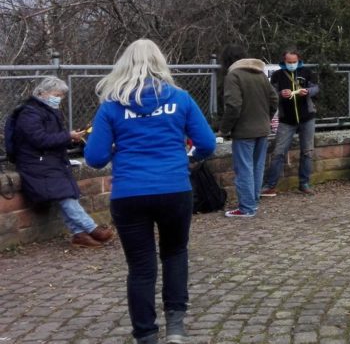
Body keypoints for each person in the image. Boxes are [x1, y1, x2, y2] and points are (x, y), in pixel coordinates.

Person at [85, 39, 217, 344]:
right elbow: (208, 144)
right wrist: (187, 158)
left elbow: (94, 158)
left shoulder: (111, 106)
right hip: (173, 187)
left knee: (141, 266)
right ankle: (176, 327)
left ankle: (145, 334)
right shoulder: (180, 99)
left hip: (129, 192)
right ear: (161, 63)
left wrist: (119, 147)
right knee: (174, 253)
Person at [9, 77, 114, 248]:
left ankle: (79, 234)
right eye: (57, 95)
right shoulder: (29, 113)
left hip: (49, 161)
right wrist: (67, 136)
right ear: (43, 93)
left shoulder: (46, 111)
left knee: (65, 195)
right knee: (65, 196)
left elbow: (52, 138)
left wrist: (72, 139)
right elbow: (39, 139)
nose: (59, 99)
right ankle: (92, 228)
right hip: (36, 163)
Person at [219, 48, 277, 218]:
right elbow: (274, 100)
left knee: (244, 170)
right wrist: (267, 118)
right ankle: (253, 203)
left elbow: (233, 105)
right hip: (262, 129)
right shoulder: (259, 75)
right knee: (257, 168)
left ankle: (246, 208)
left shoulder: (233, 76)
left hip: (244, 131)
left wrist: (224, 129)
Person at [262, 48, 318, 196]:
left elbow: (316, 88)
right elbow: (272, 94)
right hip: (286, 119)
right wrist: (281, 94)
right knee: (278, 152)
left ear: (299, 61)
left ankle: (304, 183)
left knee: (307, 151)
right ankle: (270, 185)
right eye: (289, 62)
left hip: (307, 117)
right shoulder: (277, 75)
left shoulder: (307, 72)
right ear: (284, 61)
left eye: (294, 62)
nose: (292, 64)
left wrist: (308, 91)